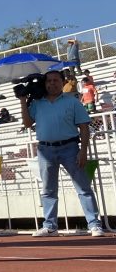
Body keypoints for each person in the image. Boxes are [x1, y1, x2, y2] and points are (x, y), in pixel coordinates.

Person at [19, 70, 106, 237]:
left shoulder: (72, 101)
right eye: (49, 81)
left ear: (63, 82)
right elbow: (28, 123)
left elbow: (84, 127)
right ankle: (50, 226)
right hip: (45, 150)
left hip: (70, 147)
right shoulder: (37, 103)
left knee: (83, 187)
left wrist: (83, 151)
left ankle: (94, 225)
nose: (52, 83)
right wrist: (23, 101)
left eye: (56, 80)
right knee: (48, 190)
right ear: (45, 83)